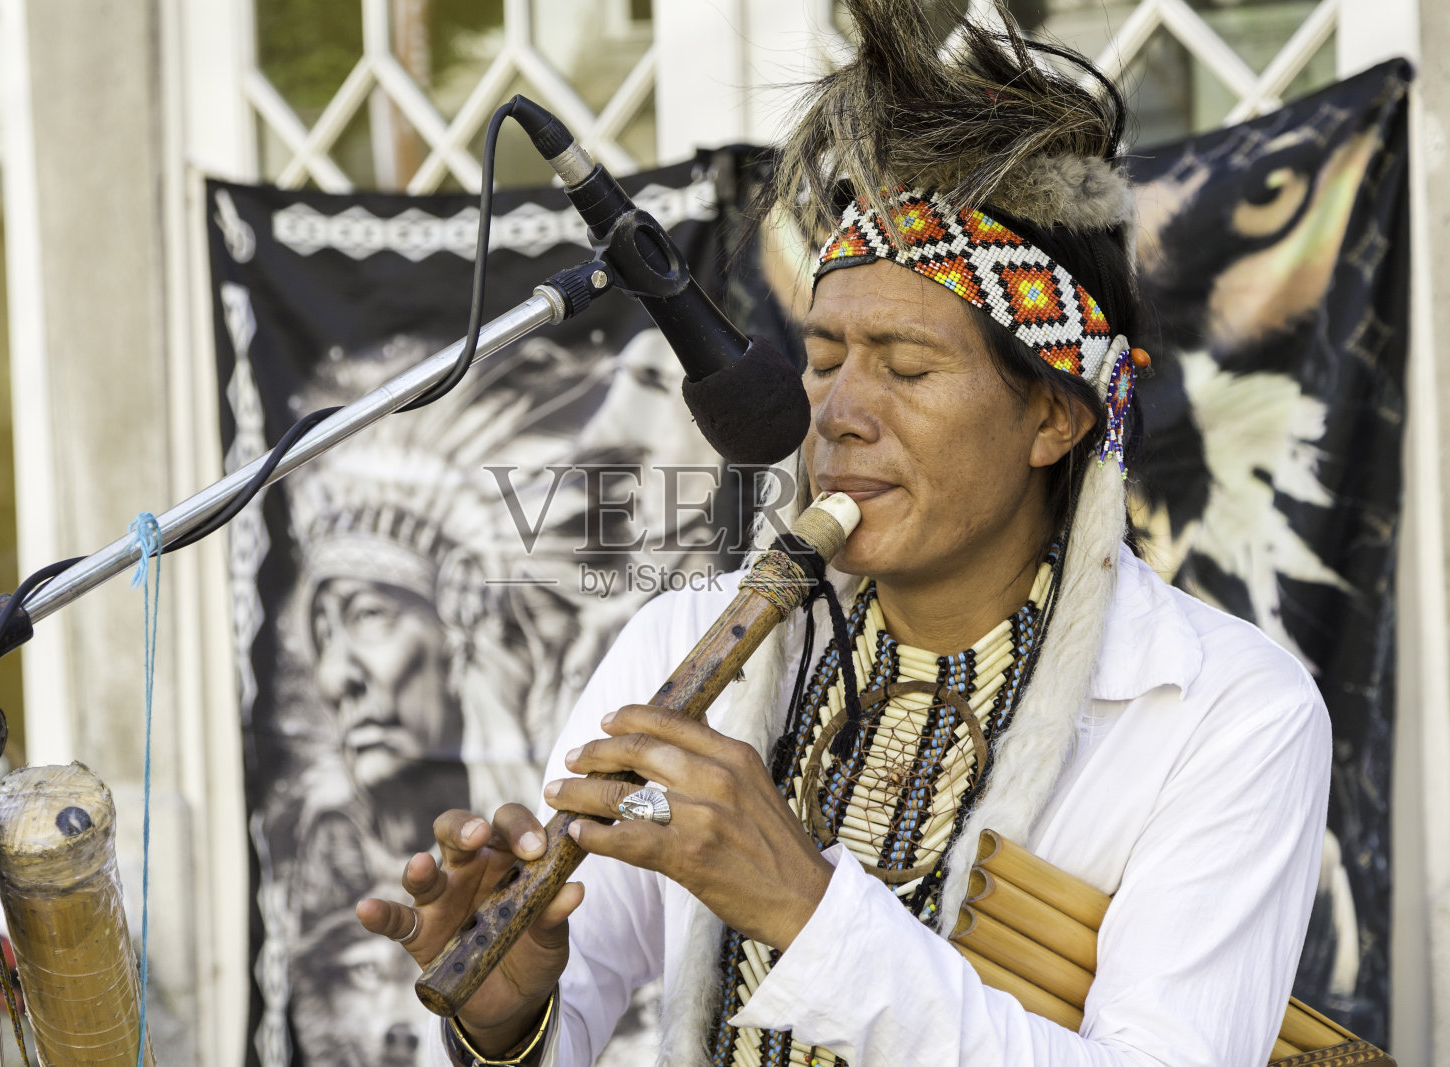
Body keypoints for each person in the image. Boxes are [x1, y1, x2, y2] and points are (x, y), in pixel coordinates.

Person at [357, 2, 1331, 1064]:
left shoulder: (1225, 713)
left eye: (907, 369)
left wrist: (800, 902)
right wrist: (508, 1006)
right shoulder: (676, 648)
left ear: (1055, 413)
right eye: (823, 360)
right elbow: (567, 1002)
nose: (838, 412)